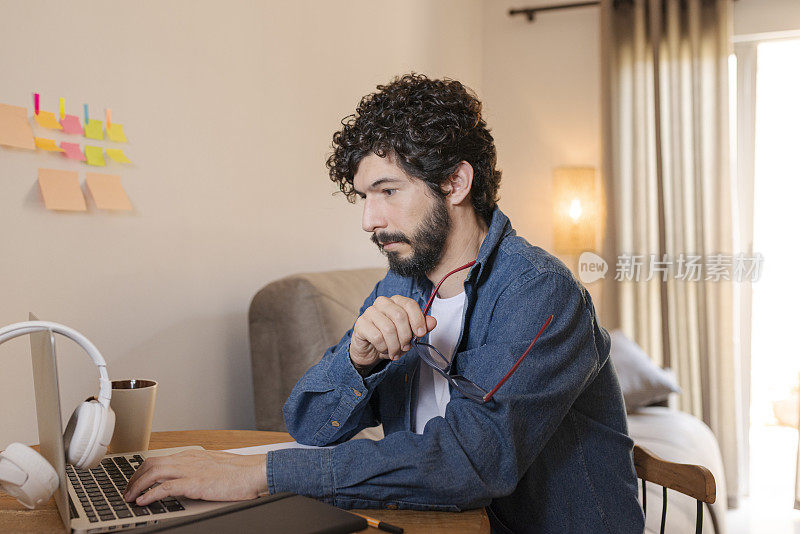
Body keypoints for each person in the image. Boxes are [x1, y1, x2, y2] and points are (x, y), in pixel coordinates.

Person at [124, 74, 645, 533]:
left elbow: (467, 464)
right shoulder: (401, 284)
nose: (369, 220)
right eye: (363, 197)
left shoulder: (537, 292)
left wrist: (259, 473)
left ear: (456, 181)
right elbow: (306, 422)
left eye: (387, 191)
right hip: (433, 519)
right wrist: (358, 359)